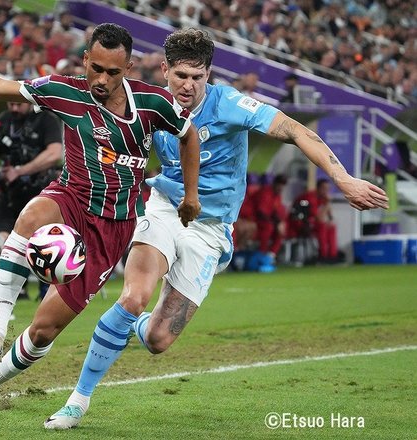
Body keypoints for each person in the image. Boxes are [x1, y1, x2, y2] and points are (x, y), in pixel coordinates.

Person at [44, 28, 389, 430]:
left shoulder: (230, 104)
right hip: (166, 207)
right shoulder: (149, 105)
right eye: (181, 76)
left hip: (210, 228)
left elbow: (296, 131)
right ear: (165, 70)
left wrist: (342, 178)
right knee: (134, 296)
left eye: (198, 77)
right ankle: (77, 401)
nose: (188, 86)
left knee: (158, 339)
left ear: (209, 75)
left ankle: (129, 329)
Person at [0, 22, 201, 429]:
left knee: (43, 331)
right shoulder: (64, 90)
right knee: (31, 215)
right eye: (97, 68)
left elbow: (188, 135)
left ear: (129, 68)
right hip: (70, 197)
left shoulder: (154, 102)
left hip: (113, 227)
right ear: (85, 59)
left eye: (113, 72)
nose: (102, 80)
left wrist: (191, 195)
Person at [0, 98, 62, 312]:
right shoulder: (4, 120)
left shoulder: (46, 120)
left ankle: (45, 296)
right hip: (9, 195)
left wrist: (20, 171)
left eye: (18, 104)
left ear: (28, 102)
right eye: (10, 104)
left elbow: (54, 154)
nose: (14, 108)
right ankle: (2, 296)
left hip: (41, 194)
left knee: (44, 245)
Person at [293, 178, 340, 262]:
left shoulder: (322, 198)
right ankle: (323, 256)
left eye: (327, 189)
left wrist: (330, 220)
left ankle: (332, 255)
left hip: (312, 223)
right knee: (322, 226)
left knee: (331, 226)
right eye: (324, 189)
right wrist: (327, 203)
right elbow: (318, 218)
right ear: (318, 188)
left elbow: (330, 217)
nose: (326, 191)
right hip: (300, 224)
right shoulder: (310, 197)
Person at [253, 174, 288, 262]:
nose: (281, 187)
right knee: (269, 227)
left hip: (267, 221)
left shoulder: (277, 196)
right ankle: (262, 254)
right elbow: (261, 213)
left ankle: (271, 255)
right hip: (255, 219)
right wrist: (276, 223)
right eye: (279, 184)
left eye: (283, 185)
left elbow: (276, 212)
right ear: (275, 183)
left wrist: (280, 222)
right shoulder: (266, 192)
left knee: (282, 228)